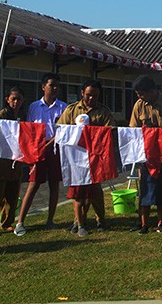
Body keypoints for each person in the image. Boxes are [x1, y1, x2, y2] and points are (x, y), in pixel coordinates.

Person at [57, 80, 116, 237]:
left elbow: (111, 130)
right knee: (77, 190)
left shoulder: (103, 111)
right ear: (82, 92)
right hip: (75, 158)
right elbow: (61, 128)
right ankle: (78, 221)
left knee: (95, 190)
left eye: (95, 96)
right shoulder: (71, 110)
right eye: (89, 95)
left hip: (94, 157)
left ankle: (101, 219)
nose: (91, 98)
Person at [14, 73, 67, 236]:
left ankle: (50, 220)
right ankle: (20, 222)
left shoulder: (63, 107)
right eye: (52, 85)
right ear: (43, 87)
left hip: (55, 149)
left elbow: (63, 131)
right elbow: (30, 129)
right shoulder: (34, 107)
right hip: (38, 149)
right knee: (33, 183)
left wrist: (49, 145)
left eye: (57, 85)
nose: (55, 88)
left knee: (54, 184)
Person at [129, 75, 162, 234]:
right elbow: (133, 128)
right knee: (145, 185)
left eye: (142, 93)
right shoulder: (139, 105)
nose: (140, 97)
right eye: (138, 94)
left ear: (152, 91)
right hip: (146, 154)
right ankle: (143, 221)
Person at [0, 86, 25, 233]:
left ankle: (7, 222)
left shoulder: (24, 116)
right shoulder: (1, 115)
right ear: (7, 99)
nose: (16, 102)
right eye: (13, 99)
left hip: (16, 160)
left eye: (19, 99)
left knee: (13, 194)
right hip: (1, 162)